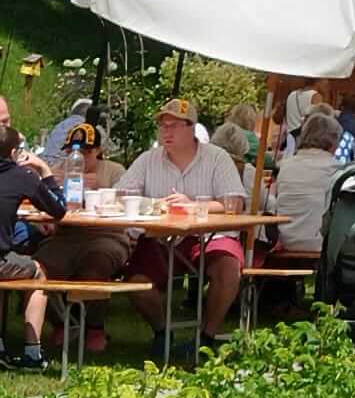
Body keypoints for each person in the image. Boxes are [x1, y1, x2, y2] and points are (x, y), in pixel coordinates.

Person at [122, 98, 249, 356]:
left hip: (207, 236)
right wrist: (154, 204)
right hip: (160, 238)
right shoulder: (148, 160)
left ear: (191, 128)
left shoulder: (217, 158)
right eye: (163, 126)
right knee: (136, 282)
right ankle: (162, 332)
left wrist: (194, 206)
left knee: (229, 268)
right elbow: (121, 194)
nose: (166, 132)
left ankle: (206, 337)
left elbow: (235, 202)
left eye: (173, 126)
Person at [23, 124, 129, 353]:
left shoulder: (114, 171)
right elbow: (39, 204)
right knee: (38, 268)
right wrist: (45, 222)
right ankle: (61, 323)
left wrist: (99, 189)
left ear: (99, 150)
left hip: (106, 235)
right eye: (72, 150)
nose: (77, 156)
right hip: (66, 236)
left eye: (85, 151)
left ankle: (95, 328)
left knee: (96, 264)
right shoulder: (57, 170)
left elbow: (125, 202)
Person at [0, 126, 62, 370]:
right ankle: (33, 353)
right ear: (14, 152)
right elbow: (58, 209)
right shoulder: (22, 176)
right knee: (38, 270)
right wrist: (45, 171)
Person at [269, 112, 350, 258]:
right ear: (332, 141)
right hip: (320, 243)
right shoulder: (337, 169)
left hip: (286, 240)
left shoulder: (285, 166)